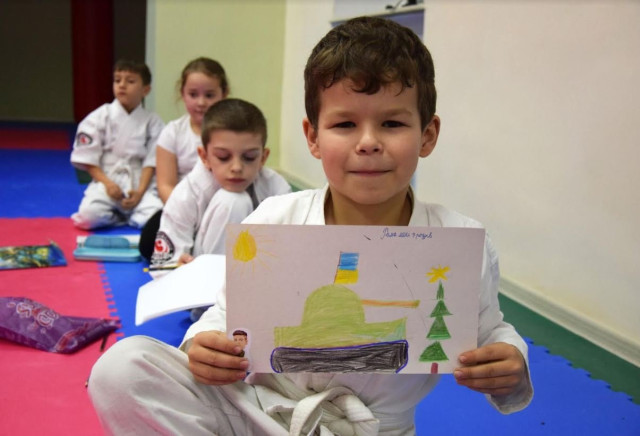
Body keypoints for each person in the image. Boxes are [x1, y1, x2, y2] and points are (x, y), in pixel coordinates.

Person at [88, 17, 533, 435]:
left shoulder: (459, 242)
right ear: (313, 137)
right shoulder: (273, 221)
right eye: (345, 124)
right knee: (122, 369)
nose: (368, 142)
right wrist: (204, 343)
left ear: (427, 135)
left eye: (392, 123)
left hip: (375, 427)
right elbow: (226, 315)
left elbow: (490, 330)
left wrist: (510, 364)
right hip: (262, 411)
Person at [149, 98, 291, 273]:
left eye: (249, 157)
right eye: (223, 157)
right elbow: (162, 266)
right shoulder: (187, 193)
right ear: (204, 156)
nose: (237, 167)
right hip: (203, 277)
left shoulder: (278, 189)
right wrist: (179, 267)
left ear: (263, 157)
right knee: (233, 201)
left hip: (261, 274)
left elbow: (293, 251)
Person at [139, 57, 229, 260]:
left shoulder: (232, 132)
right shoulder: (173, 132)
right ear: (182, 94)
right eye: (193, 94)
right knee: (148, 244)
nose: (201, 102)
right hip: (182, 207)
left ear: (224, 93)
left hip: (222, 205)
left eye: (209, 95)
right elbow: (165, 185)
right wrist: (188, 215)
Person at [70, 59, 165, 229]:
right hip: (107, 179)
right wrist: (108, 184)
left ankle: (132, 216)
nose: (122, 85)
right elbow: (88, 158)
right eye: (117, 80)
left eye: (130, 81)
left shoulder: (153, 121)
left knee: (157, 218)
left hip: (139, 182)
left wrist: (140, 192)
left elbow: (152, 161)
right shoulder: (99, 117)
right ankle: (116, 217)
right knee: (87, 217)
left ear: (145, 90)